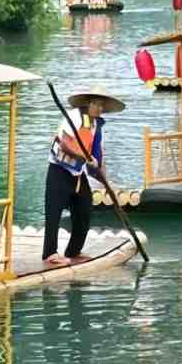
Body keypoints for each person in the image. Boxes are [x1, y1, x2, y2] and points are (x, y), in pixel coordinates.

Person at [43, 89, 125, 268]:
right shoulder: (75, 116)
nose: (99, 108)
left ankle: (73, 250)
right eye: (96, 104)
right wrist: (84, 157)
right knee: (54, 212)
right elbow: (65, 143)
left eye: (102, 105)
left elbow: (97, 155)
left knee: (84, 209)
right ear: (88, 103)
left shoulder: (95, 125)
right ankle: (50, 253)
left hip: (78, 174)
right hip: (59, 170)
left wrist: (105, 181)